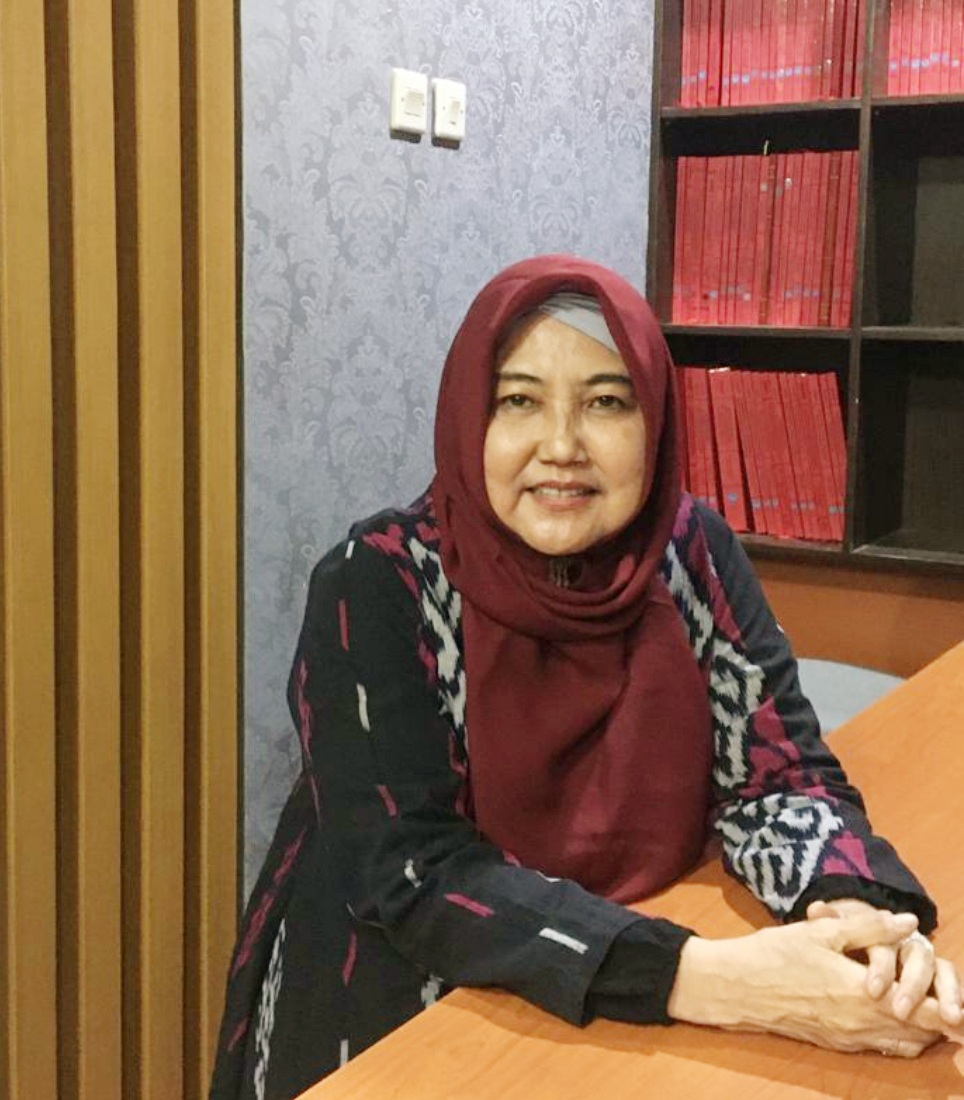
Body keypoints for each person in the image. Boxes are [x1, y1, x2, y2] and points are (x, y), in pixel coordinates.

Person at [210, 256, 962, 1100]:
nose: (562, 447)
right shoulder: (377, 580)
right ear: (468, 417)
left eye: (606, 402)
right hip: (410, 995)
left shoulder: (689, 550)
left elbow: (777, 773)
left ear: (656, 421)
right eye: (518, 401)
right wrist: (721, 983)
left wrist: (853, 914)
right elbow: (416, 875)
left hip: (647, 964)